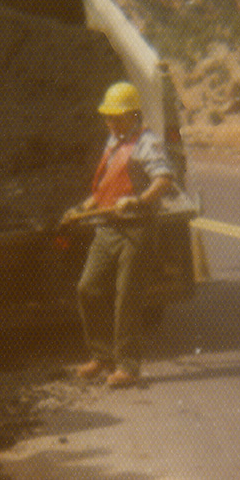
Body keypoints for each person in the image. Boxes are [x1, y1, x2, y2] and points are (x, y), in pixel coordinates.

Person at [64, 81, 177, 389]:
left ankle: (127, 366)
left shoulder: (147, 143)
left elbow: (164, 179)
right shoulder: (112, 141)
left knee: (127, 296)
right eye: (107, 117)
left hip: (136, 229)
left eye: (116, 117)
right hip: (107, 227)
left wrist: (139, 200)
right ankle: (101, 356)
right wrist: (83, 206)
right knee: (88, 288)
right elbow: (105, 186)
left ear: (132, 114)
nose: (110, 122)